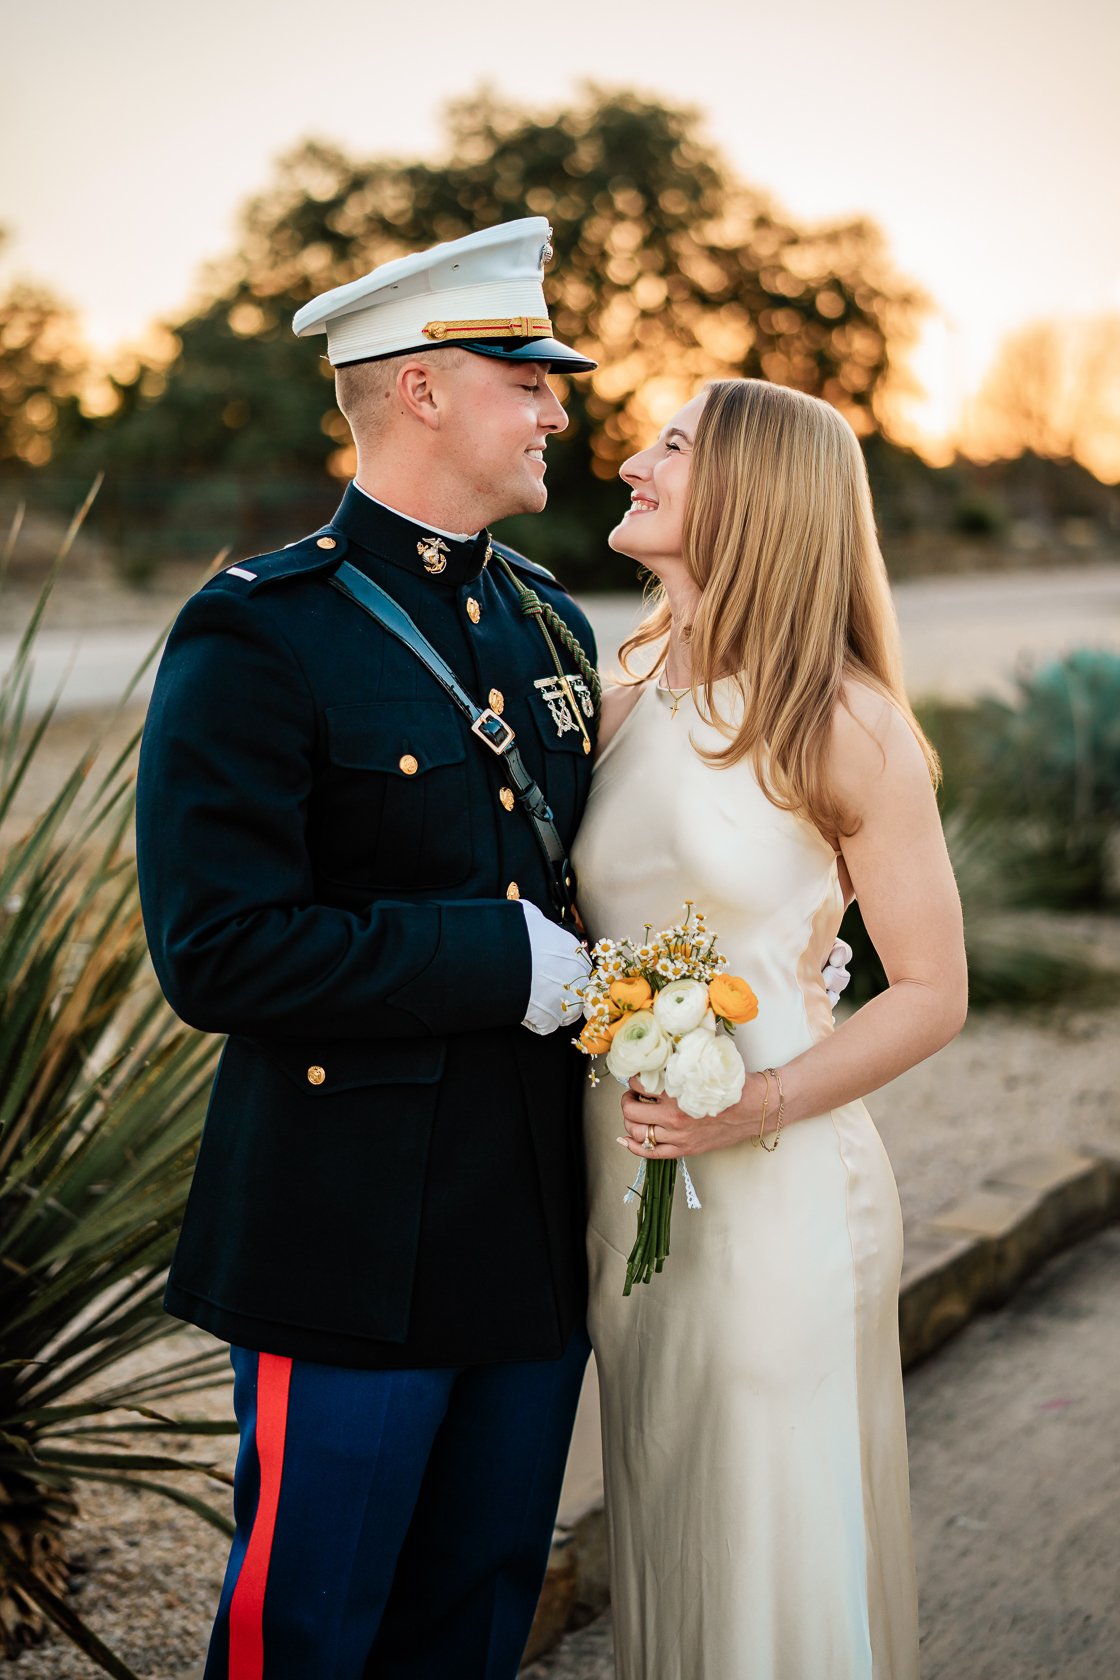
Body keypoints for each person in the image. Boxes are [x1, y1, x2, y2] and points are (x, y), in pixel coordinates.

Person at [135, 218, 602, 1679]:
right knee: (312, 1633)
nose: (558, 409)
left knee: (474, 1620)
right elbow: (219, 952)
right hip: (344, 1243)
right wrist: (496, 961)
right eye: (525, 378)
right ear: (421, 390)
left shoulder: (550, 620)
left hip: (530, 1235)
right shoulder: (257, 635)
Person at [573, 377, 968, 1679]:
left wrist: (754, 1101)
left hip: (780, 1195)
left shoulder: (842, 722)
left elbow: (931, 990)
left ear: (754, 493)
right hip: (629, 1187)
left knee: (768, 1543)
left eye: (671, 446)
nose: (632, 461)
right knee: (672, 1522)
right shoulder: (620, 698)